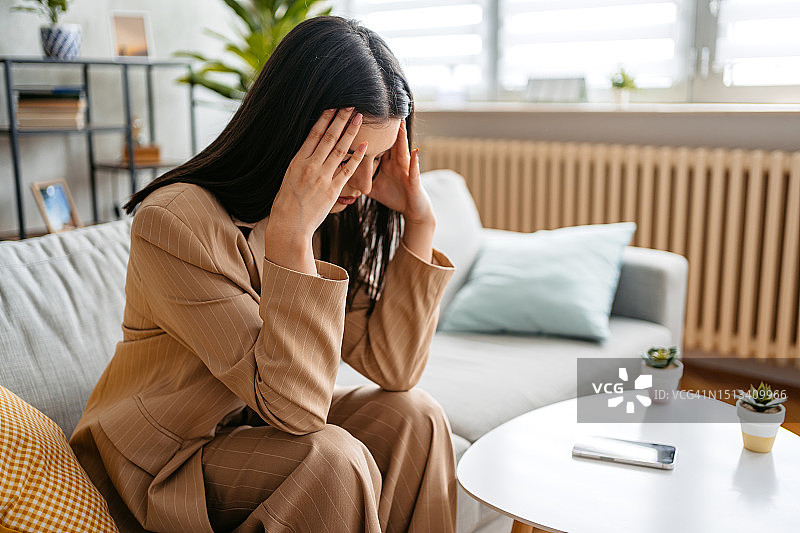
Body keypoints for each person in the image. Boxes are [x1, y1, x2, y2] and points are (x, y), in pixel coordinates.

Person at [69, 15, 458, 533]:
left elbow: (395, 369)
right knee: (329, 458)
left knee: (415, 417)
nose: (365, 182)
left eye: (380, 157)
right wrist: (292, 239)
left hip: (258, 424)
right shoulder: (176, 222)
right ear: (291, 134)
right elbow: (298, 413)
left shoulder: (332, 211)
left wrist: (421, 223)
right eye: (348, 155)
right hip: (167, 459)